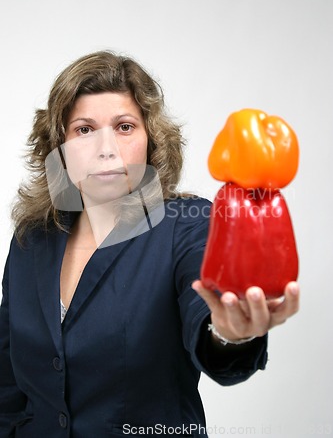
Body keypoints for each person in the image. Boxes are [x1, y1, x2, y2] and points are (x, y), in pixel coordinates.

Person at [0, 51, 299, 438]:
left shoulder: (188, 225)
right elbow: (7, 385)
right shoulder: (31, 240)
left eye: (124, 127)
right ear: (59, 147)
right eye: (84, 129)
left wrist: (229, 333)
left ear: (150, 141)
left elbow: (207, 319)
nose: (105, 148)